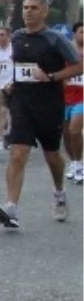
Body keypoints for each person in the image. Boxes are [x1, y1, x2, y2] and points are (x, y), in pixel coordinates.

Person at [0, 0, 84, 228]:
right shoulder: (18, 36)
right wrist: (12, 83)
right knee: (18, 152)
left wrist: (51, 76)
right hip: (22, 102)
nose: (28, 12)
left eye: (33, 8)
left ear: (44, 11)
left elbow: (78, 66)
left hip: (49, 104)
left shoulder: (55, 39)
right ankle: (11, 207)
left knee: (52, 155)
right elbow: (21, 67)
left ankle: (60, 193)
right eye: (25, 7)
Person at [63, 22, 84, 183]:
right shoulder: (65, 51)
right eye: (82, 32)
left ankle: (79, 164)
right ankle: (74, 162)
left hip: (82, 97)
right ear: (74, 33)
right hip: (65, 97)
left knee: (75, 130)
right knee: (66, 134)